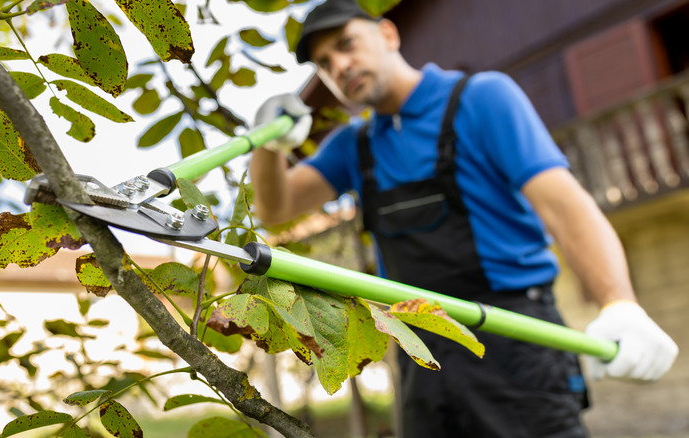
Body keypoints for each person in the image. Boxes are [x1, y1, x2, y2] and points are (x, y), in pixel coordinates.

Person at [249, 0, 679, 436]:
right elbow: (275, 209)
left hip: (515, 341)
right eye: (324, 63)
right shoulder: (353, 146)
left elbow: (565, 207)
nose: (340, 65)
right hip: (423, 351)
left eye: (347, 44)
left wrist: (619, 304)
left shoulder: (482, 99)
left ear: (388, 36)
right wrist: (268, 145)